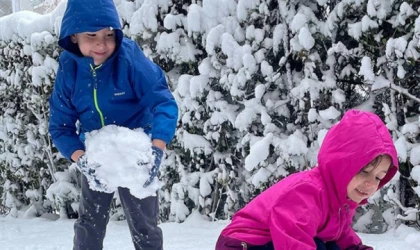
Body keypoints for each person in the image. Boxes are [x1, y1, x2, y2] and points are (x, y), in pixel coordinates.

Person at [48, 0, 178, 249]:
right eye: (91, 35)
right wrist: (81, 158)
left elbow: (162, 100)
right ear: (73, 36)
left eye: (109, 34)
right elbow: (60, 125)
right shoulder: (69, 68)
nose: (102, 43)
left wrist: (156, 147)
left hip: (136, 150)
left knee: (145, 226)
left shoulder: (129, 57)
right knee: (89, 223)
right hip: (97, 153)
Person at [215, 109, 399, 250]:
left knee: (328, 243)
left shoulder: (340, 199)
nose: (371, 184)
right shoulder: (305, 192)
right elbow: (293, 239)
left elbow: (340, 235)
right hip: (242, 245)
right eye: (364, 172)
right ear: (342, 166)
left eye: (378, 177)